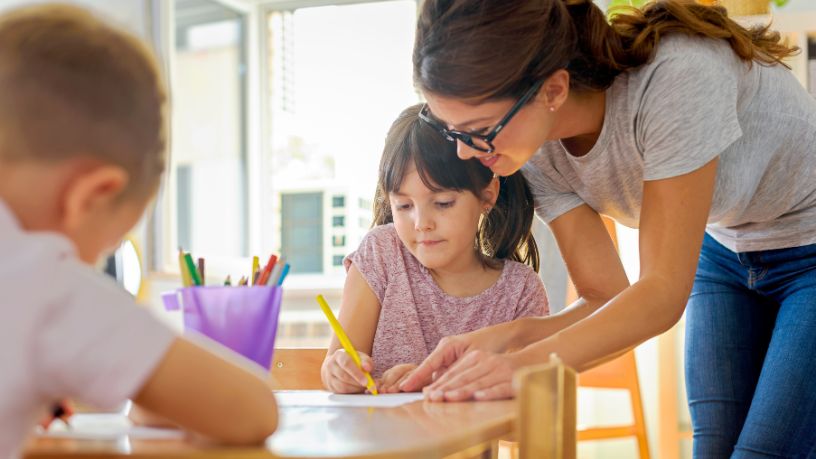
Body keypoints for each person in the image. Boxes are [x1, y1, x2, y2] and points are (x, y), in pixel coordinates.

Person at [398, 0, 816, 456]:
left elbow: (660, 295)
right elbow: (606, 295)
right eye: (453, 132)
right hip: (726, 248)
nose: (465, 153)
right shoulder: (533, 152)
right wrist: (501, 341)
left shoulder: (677, 78)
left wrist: (525, 365)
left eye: (478, 129)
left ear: (553, 90)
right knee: (713, 448)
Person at [0, 5, 277, 458]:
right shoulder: (45, 282)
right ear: (89, 196)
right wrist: (159, 390)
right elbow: (253, 410)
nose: (90, 265)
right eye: (104, 248)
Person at [320, 104, 548, 394]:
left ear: (487, 196)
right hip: (378, 437)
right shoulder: (382, 252)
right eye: (403, 206)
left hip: (469, 440)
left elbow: (531, 404)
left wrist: (433, 381)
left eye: (442, 203)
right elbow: (336, 365)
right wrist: (338, 371)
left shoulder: (521, 290)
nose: (421, 224)